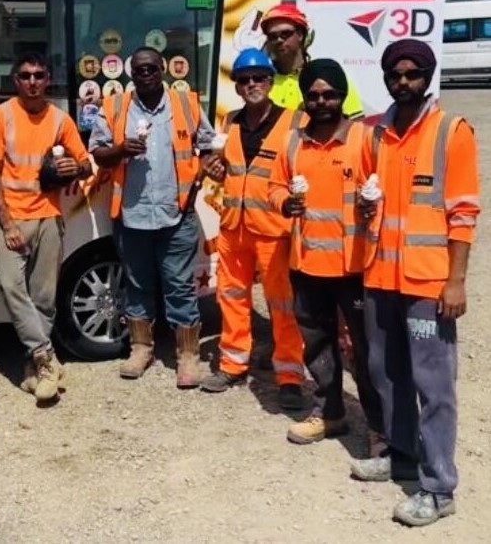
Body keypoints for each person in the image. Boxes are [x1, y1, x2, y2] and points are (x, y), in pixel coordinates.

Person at [349, 39, 479, 527]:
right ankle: (401, 454)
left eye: (412, 73)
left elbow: (463, 213)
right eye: (395, 74)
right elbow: (367, 196)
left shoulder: (452, 132)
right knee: (387, 373)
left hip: (429, 284)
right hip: (381, 275)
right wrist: (364, 207)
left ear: (427, 76)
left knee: (434, 385)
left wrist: (456, 281)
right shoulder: (375, 134)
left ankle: (439, 487)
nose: (403, 81)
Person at [268, 59, 384, 448]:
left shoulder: (364, 139)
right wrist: (285, 203)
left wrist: (374, 207)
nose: (321, 102)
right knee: (317, 345)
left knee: (367, 352)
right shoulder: (294, 141)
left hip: (354, 267)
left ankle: (380, 426)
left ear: (341, 96)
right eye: (313, 95)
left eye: (329, 94)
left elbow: (383, 191)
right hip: (306, 265)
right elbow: (274, 187)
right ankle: (330, 413)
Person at [90, 46, 220, 389]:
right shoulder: (116, 107)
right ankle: (141, 348)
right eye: (139, 70)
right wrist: (120, 150)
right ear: (131, 73)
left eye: (151, 69)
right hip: (132, 216)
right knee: (137, 284)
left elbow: (208, 144)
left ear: (162, 69)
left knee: (179, 286)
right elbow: (99, 152)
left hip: (175, 215)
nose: (145, 74)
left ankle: (188, 356)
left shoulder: (186, 104)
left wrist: (200, 178)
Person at [0, 52, 91, 403]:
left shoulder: (60, 119)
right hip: (8, 219)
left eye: (39, 75)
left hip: (47, 215)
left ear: (48, 80)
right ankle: (45, 357)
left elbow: (86, 163)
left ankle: (33, 369)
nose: (32, 82)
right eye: (25, 75)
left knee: (43, 297)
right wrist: (7, 224)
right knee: (14, 289)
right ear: (15, 80)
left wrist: (75, 168)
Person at [199, 48, 307, 411]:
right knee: (231, 298)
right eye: (244, 80)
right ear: (237, 86)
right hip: (233, 227)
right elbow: (219, 163)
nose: (251, 85)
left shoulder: (294, 122)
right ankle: (232, 364)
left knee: (282, 304)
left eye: (258, 77)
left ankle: (290, 377)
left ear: (270, 80)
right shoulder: (229, 121)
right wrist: (212, 167)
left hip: (274, 230)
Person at [259, 3, 364, 119]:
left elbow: (357, 125)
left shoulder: (329, 76)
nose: (279, 40)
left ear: (300, 35)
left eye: (285, 34)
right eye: (272, 36)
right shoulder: (261, 81)